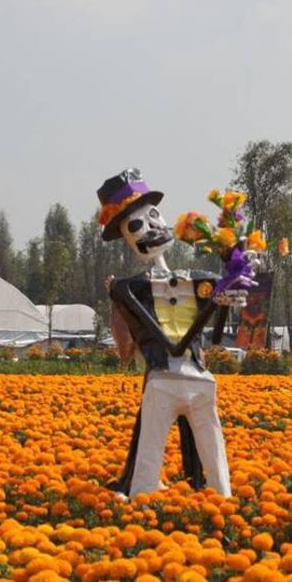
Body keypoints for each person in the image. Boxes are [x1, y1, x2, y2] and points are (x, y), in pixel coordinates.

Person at [98, 168, 247, 498]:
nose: (151, 227)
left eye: (153, 216)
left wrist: (230, 282)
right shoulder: (132, 288)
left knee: (211, 451)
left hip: (196, 377)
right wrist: (117, 298)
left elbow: (219, 327)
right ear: (127, 238)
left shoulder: (197, 278)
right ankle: (144, 492)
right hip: (162, 377)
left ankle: (213, 494)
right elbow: (127, 339)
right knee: (150, 454)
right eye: (136, 225)